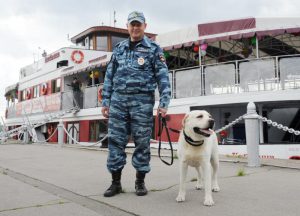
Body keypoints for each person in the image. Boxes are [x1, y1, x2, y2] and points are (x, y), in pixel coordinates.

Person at [101, 11, 171, 197]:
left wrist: (164, 103)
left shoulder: (154, 49)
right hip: (118, 101)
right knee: (115, 142)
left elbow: (163, 77)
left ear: (144, 26)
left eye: (138, 24)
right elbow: (109, 76)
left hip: (142, 102)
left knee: (142, 142)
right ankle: (115, 183)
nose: (135, 27)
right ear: (127, 26)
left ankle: (140, 182)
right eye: (132, 24)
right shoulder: (119, 48)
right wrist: (105, 100)